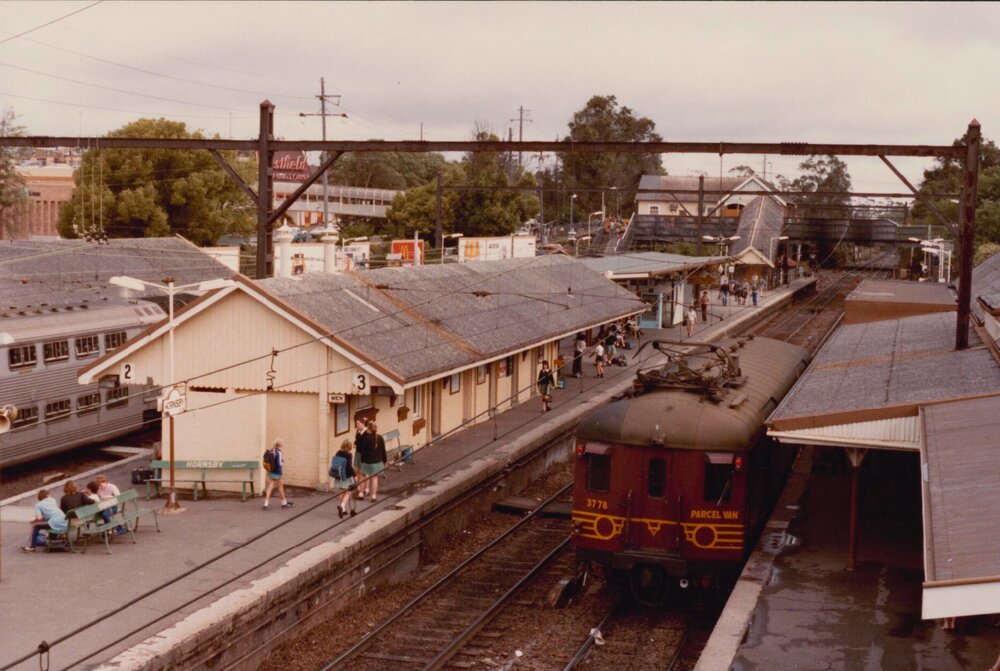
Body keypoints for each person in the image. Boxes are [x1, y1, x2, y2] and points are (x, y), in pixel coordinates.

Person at [358, 419, 387, 503]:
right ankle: (373, 496)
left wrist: (362, 461)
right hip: (377, 462)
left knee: (363, 476)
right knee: (374, 478)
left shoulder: (366, 438)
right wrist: (384, 461)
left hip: (367, 461)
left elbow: (363, 452)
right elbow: (383, 451)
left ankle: (361, 494)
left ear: (369, 429)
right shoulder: (380, 438)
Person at [263, 439, 293, 510]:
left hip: (271, 471)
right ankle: (284, 503)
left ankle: (266, 503)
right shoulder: (279, 452)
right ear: (280, 445)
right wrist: (283, 460)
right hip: (277, 472)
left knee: (270, 486)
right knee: (280, 487)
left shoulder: (272, 450)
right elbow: (280, 463)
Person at [330, 439, 357, 518]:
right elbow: (349, 467)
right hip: (346, 476)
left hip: (338, 476)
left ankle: (343, 510)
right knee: (349, 491)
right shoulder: (349, 454)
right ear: (349, 446)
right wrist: (354, 475)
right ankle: (342, 505)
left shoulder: (338, 452)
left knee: (342, 491)